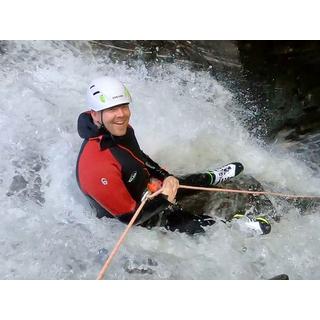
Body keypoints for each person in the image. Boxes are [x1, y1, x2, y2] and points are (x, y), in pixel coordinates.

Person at [76, 76, 269, 235]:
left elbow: (138, 157)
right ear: (95, 114)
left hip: (146, 191)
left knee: (176, 181)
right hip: (131, 221)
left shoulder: (119, 129)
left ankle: (211, 177)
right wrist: (164, 199)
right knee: (184, 222)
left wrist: (164, 176)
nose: (121, 114)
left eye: (124, 106)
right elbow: (129, 218)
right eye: (112, 109)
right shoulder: (96, 167)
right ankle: (233, 229)